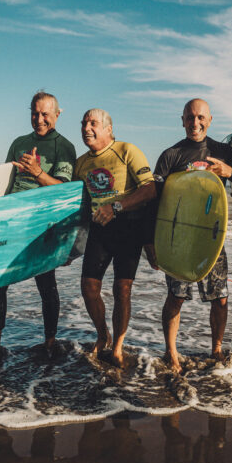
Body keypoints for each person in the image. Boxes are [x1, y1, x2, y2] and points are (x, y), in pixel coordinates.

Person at [151, 99, 232, 373]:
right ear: (182, 120)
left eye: (200, 118)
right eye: (189, 118)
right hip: (179, 238)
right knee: (176, 297)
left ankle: (216, 349)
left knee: (220, 297)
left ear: (210, 120)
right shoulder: (171, 155)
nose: (194, 123)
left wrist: (229, 172)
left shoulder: (224, 152)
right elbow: (155, 202)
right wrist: (151, 243)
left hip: (211, 237)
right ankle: (171, 352)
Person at [0, 91, 77, 365]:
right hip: (12, 222)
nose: (39, 119)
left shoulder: (64, 147)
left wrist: (38, 173)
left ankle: (50, 343)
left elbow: (66, 191)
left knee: (46, 285)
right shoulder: (19, 143)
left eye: (45, 114)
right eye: (35, 113)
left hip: (42, 224)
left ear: (56, 115)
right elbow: (9, 184)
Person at [73, 108, 157, 367]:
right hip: (100, 231)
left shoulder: (126, 150)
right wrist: (67, 246)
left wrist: (117, 207)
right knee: (89, 288)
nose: (87, 128)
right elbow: (75, 201)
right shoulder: (82, 163)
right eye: (84, 123)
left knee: (122, 289)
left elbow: (150, 189)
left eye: (93, 123)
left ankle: (118, 347)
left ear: (108, 128)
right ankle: (102, 335)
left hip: (129, 228)